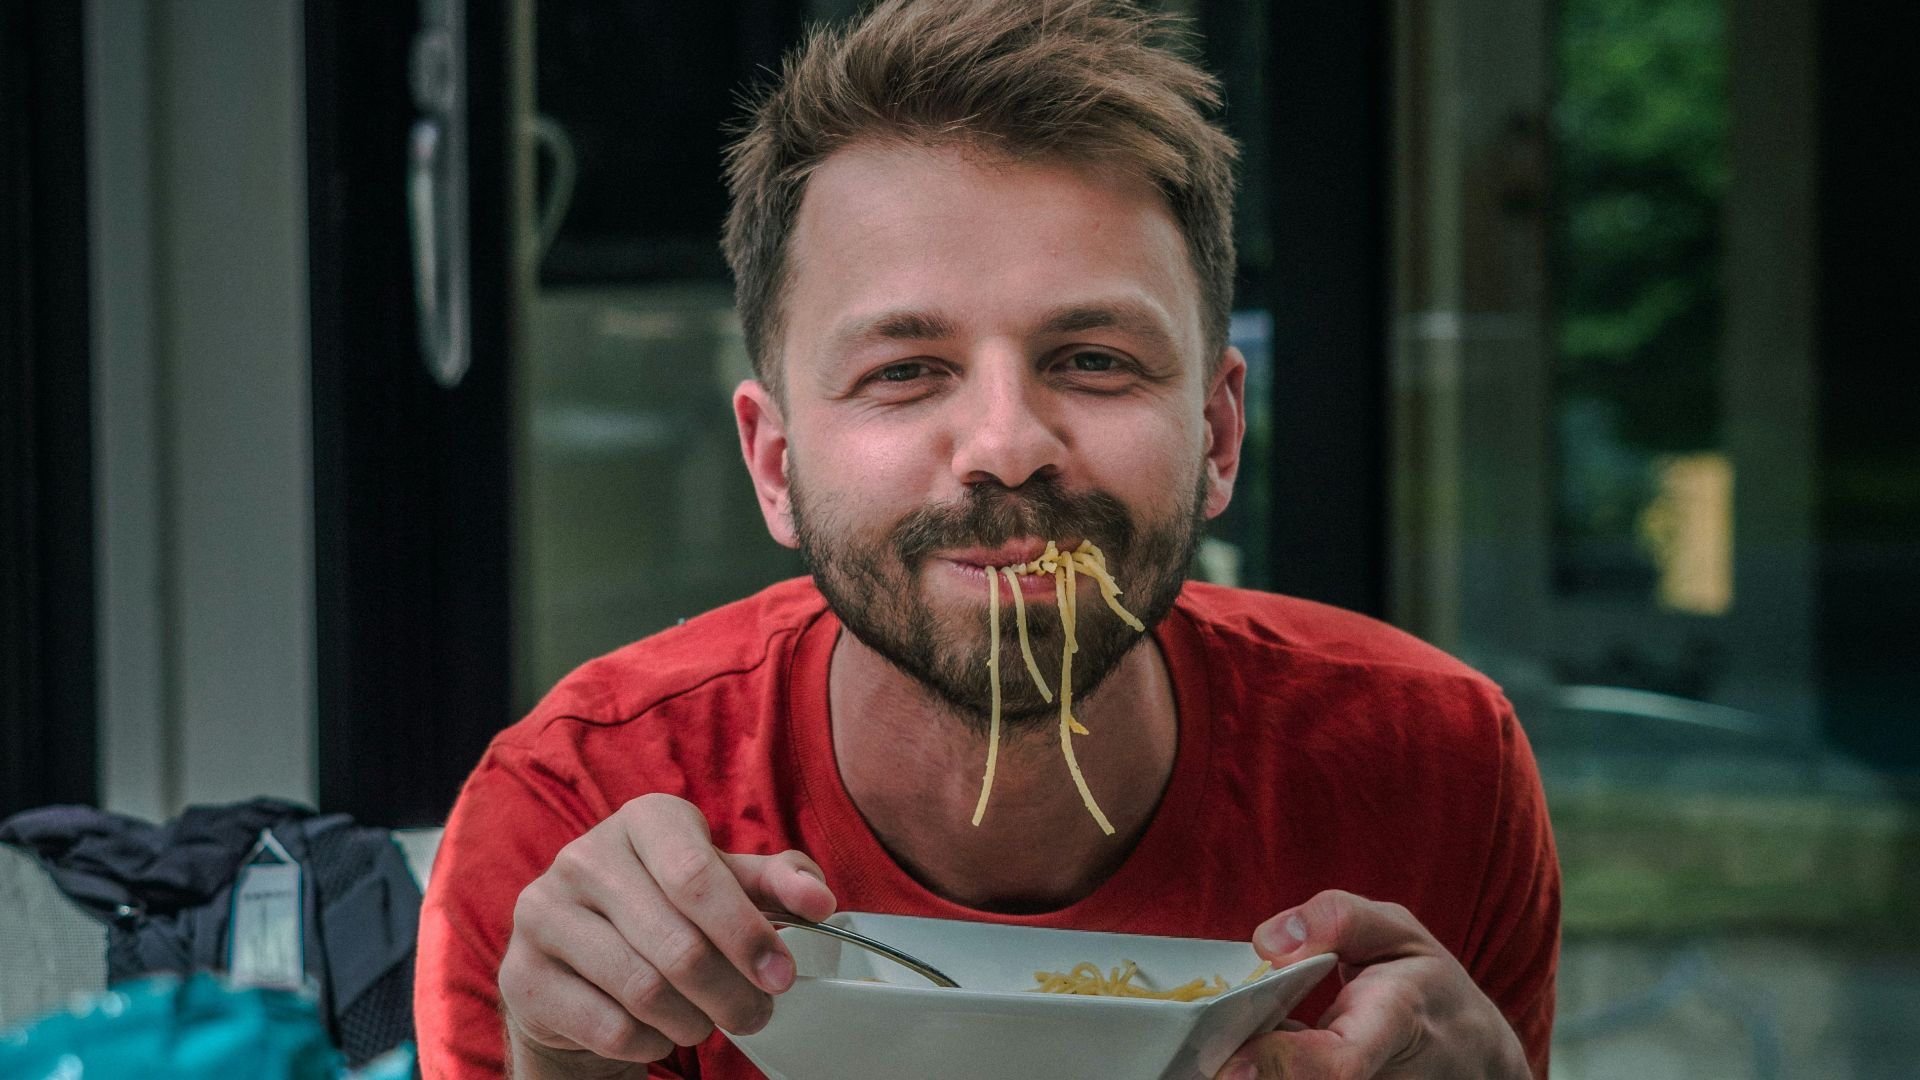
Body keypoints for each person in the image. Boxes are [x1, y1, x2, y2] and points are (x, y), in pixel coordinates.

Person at [414, 1, 1560, 1077]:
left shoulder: (1435, 772)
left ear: (1217, 435)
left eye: (1095, 360)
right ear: (773, 464)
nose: (1007, 447)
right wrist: (564, 1060)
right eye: (905, 371)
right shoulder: (569, 824)